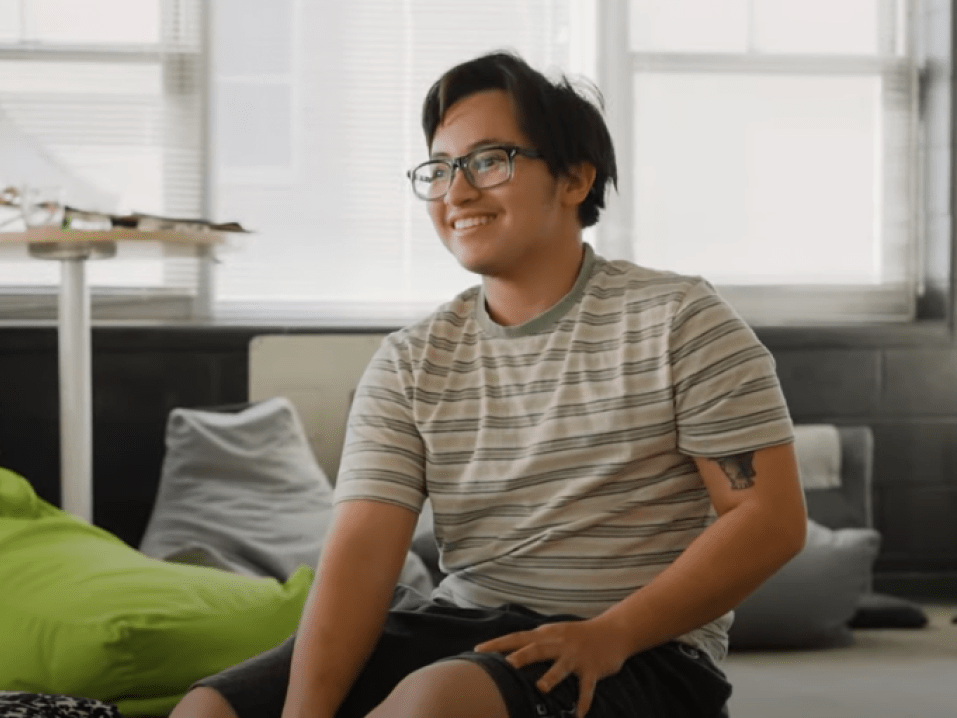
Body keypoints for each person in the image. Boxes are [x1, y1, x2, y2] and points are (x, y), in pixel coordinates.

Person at [170, 50, 807, 718]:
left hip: (643, 651)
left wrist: (609, 635)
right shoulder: (409, 360)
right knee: (209, 709)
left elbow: (768, 520)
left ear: (574, 178)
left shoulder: (680, 319)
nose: (456, 191)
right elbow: (360, 558)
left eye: (487, 160)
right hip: (458, 626)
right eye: (440, 169)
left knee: (435, 701)